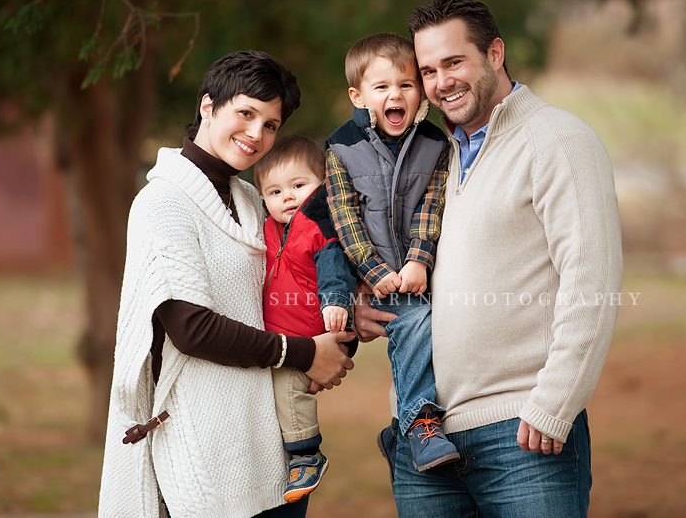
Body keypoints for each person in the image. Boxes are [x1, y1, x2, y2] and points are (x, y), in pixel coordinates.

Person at [356, 0, 624, 517]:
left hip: (522, 435)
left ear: (495, 53)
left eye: (454, 62)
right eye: (428, 70)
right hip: (422, 440)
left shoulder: (557, 140)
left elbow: (591, 280)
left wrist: (555, 403)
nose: (441, 82)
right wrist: (368, 304)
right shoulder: (428, 155)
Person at [98, 51, 355, 518]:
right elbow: (191, 329)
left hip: (270, 453)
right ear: (208, 107)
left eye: (271, 124)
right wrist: (304, 353)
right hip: (207, 453)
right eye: (246, 113)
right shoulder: (164, 203)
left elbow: (303, 274)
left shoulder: (254, 200)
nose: (257, 134)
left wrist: (351, 323)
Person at [324, 33, 457, 472]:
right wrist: (374, 270)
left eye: (405, 84)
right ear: (358, 96)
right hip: (370, 273)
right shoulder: (341, 147)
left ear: (419, 90)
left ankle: (404, 430)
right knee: (414, 321)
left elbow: (431, 205)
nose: (394, 95)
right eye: (381, 88)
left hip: (416, 273)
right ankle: (419, 424)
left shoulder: (436, 146)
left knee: (424, 327)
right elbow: (343, 216)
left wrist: (419, 258)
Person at [253, 135, 358, 503]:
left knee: (287, 387)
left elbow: (334, 267)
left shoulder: (318, 227)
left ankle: (306, 454)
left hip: (316, 331)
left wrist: (335, 301)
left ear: (322, 185)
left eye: (299, 185)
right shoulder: (267, 229)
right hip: (283, 335)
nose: (288, 197)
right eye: (275, 191)